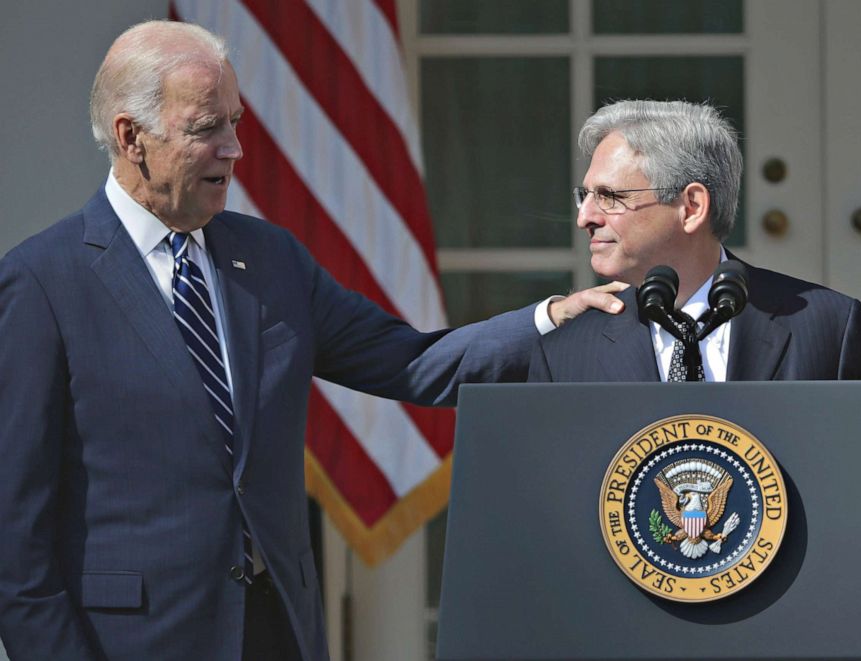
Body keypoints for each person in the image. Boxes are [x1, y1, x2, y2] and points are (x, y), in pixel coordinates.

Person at [0, 21, 623, 661]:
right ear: (132, 137)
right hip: (135, 641)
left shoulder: (269, 259)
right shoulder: (43, 283)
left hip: (278, 633)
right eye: (206, 128)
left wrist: (548, 320)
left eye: (235, 122)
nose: (234, 148)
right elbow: (15, 540)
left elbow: (412, 362)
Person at [528, 99, 861, 508]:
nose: (586, 216)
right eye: (584, 196)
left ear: (692, 207)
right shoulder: (565, 346)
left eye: (609, 196)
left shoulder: (826, 325)